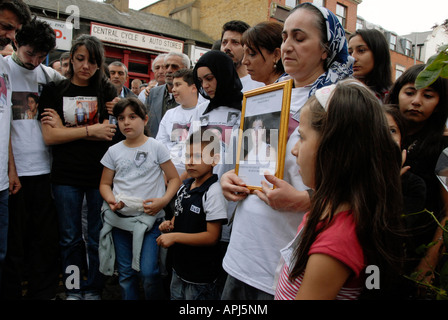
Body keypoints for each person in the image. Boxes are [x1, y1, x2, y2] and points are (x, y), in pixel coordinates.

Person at [220, 2, 353, 299]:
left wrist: (305, 201)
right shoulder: (265, 95)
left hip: (283, 268)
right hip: (242, 253)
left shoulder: (340, 103)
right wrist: (230, 178)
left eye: (300, 37)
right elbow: (249, 158)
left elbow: (359, 187)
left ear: (325, 49)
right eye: (285, 37)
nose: (288, 46)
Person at [274, 80, 405, 300]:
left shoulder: (336, 242)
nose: (294, 150)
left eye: (303, 138)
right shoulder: (327, 206)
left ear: (336, 149)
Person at [37, 34, 118, 300]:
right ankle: (72, 288)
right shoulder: (54, 91)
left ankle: (93, 288)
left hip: (99, 176)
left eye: (92, 61)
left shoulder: (106, 91)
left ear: (99, 64)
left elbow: (109, 134)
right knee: (69, 239)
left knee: (96, 238)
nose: (85, 66)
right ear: (71, 57)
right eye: (80, 59)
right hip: (65, 176)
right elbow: (50, 137)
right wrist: (90, 130)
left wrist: (67, 130)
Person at [1, 18, 63, 300]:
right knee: (14, 240)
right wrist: (10, 170)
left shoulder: (49, 76)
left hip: (46, 170)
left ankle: (43, 292)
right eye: (30, 54)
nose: (35, 61)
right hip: (14, 173)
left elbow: (82, 87)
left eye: (41, 56)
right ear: (16, 42)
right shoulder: (4, 71)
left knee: (45, 239)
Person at [98, 97, 180, 300]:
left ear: (145, 119)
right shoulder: (113, 151)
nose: (126, 122)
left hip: (150, 222)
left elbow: (174, 179)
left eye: (132, 117)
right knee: (125, 274)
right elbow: (105, 184)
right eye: (121, 118)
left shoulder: (156, 147)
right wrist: (110, 200)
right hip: (120, 222)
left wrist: (163, 200)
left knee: (149, 272)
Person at [387, 63, 448, 298]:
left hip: (417, 249)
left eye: (428, 95)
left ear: (440, 102)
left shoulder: (443, 148)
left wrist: (429, 261)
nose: (416, 101)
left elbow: (446, 213)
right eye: (410, 92)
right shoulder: (382, 134)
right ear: (397, 93)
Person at [157, 128, 227, 300]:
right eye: (187, 156)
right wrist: (171, 223)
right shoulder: (185, 185)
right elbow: (180, 211)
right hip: (179, 267)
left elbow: (212, 237)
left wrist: (175, 237)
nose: (190, 162)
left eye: (197, 156)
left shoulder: (213, 192)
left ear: (214, 160)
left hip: (200, 276)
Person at [0, 0, 31, 293]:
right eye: (5, 26)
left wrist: (10, 170)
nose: (10, 35)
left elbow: (5, 123)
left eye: (14, 30)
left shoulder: (3, 68)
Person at [156, 69, 199, 176]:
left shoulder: (205, 112)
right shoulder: (169, 114)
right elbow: (160, 143)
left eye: (178, 85)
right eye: (173, 85)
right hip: (167, 173)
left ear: (193, 88)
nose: (173, 89)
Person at [144, 52, 190, 138]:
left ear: (186, 69)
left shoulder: (194, 96)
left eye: (174, 66)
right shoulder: (152, 93)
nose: (169, 70)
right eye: (166, 66)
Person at [348, 29, 392, 102]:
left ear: (378, 53)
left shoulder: (393, 97)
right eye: (350, 52)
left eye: (361, 50)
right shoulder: (339, 91)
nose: (353, 58)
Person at [220, 20, 264, 92]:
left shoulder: (259, 85)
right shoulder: (211, 83)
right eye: (224, 42)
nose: (227, 47)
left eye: (235, 43)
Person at [241, 21, 286, 85]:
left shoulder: (291, 92)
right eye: (244, 54)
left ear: (276, 55)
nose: (244, 61)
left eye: (252, 53)